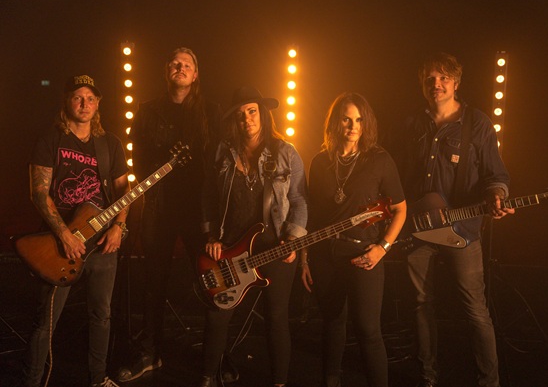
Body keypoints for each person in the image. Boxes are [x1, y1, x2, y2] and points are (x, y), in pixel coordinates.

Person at [394, 52, 514, 387]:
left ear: (456, 83)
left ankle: (489, 382)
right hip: (417, 229)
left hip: (463, 229)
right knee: (420, 304)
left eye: (444, 77)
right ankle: (427, 377)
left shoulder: (478, 123)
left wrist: (497, 195)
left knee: (475, 310)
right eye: (430, 79)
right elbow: (396, 175)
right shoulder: (411, 124)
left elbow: (496, 174)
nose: (436, 84)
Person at [117, 47, 221, 382]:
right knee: (153, 282)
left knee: (211, 279)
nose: (180, 67)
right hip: (159, 206)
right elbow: (137, 157)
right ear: (166, 71)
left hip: (197, 208)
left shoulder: (210, 111)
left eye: (187, 64)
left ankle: (217, 357)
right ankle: (150, 352)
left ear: (196, 74)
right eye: (175, 63)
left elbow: (219, 160)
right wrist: (163, 158)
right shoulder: (147, 110)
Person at [22, 75, 129, 387]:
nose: (85, 104)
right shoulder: (50, 139)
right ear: (67, 101)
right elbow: (39, 193)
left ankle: (97, 378)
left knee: (101, 315)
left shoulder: (110, 144)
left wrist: (119, 226)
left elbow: (124, 191)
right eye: (78, 97)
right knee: (45, 322)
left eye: (90, 98)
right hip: (59, 244)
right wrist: (64, 235)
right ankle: (32, 382)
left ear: (97, 105)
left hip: (102, 241)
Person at [199, 86, 308, 387]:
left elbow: (299, 200)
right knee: (218, 314)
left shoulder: (286, 152)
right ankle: (206, 378)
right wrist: (211, 235)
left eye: (252, 111)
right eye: (240, 114)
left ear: (263, 114)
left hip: (275, 246)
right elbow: (208, 197)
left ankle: (279, 382)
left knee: (276, 318)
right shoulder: (222, 151)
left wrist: (293, 238)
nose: (247, 118)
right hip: (231, 247)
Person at [300, 92, 407, 387]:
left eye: (359, 120)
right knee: (332, 323)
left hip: (363, 254)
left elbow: (401, 209)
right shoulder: (320, 161)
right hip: (324, 255)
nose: (353, 126)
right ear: (336, 122)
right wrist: (305, 258)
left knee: (368, 331)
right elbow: (313, 214)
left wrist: (382, 248)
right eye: (347, 119)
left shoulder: (379, 159)